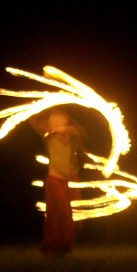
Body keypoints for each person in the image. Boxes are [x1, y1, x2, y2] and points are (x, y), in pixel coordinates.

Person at [28, 107, 87, 257]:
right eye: (54, 119)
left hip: (68, 179)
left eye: (61, 119)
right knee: (55, 215)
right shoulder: (49, 137)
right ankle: (52, 246)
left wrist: (59, 129)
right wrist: (38, 107)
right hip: (54, 179)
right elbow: (31, 119)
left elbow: (78, 131)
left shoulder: (71, 136)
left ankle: (65, 245)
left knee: (66, 215)